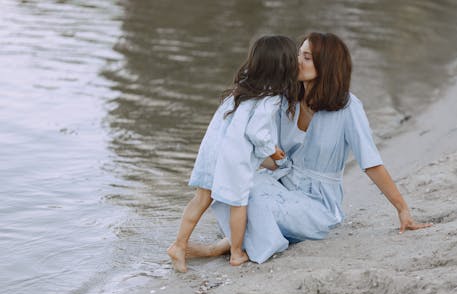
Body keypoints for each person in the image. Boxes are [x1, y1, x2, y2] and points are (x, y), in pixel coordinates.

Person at [191, 32, 433, 264]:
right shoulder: (283, 99)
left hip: (317, 205)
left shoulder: (348, 107)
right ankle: (236, 243)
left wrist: (402, 209)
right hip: (279, 183)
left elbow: (370, 163)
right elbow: (267, 156)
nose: (297, 61)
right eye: (298, 54)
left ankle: (227, 246)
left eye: (306, 57)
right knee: (231, 185)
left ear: (326, 66)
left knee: (251, 198)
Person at [167, 35, 298, 272]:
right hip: (233, 158)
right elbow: (256, 132)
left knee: (201, 198)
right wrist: (273, 152)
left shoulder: (241, 90)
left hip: (211, 151)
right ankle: (237, 253)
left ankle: (179, 245)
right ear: (286, 67)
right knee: (239, 202)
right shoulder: (272, 98)